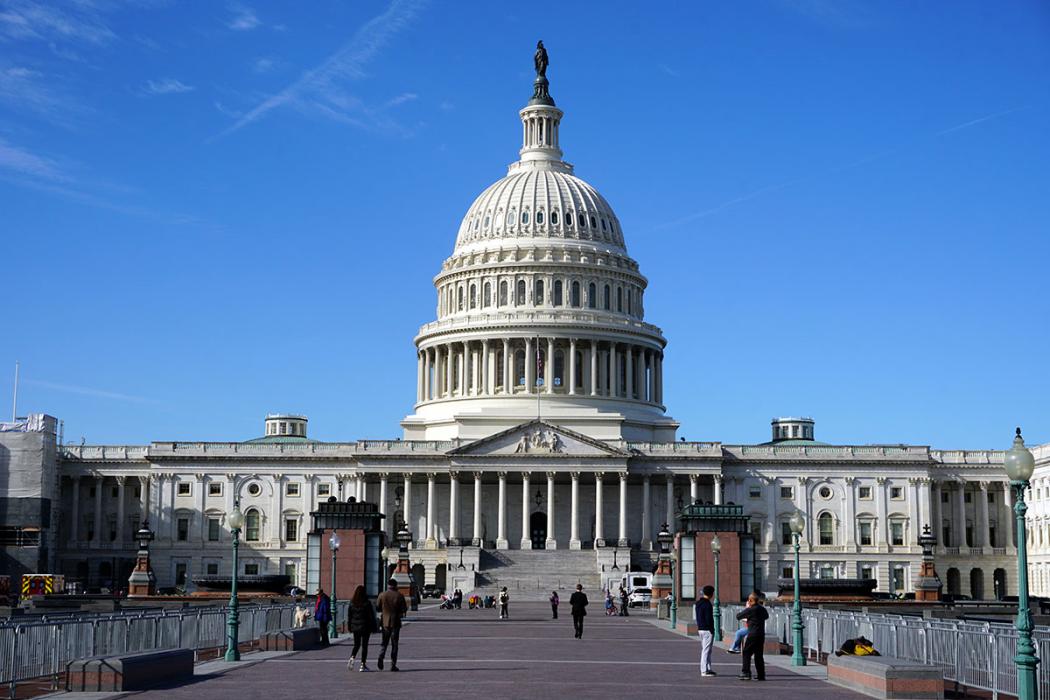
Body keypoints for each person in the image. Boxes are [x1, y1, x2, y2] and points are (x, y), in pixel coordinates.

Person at [736, 592, 769, 681]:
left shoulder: (750, 609)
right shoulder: (762, 609)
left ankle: (746, 672)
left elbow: (738, 616)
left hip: (752, 634)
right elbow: (766, 616)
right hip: (761, 634)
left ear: (751, 600)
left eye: (749, 600)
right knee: (759, 655)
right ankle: (761, 675)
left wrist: (748, 609)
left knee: (746, 652)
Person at [377, 578, 408, 672]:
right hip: (395, 622)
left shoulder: (382, 595)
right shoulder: (399, 595)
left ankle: (381, 656)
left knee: (384, 642)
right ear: (396, 585)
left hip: (385, 622)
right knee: (394, 644)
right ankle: (393, 664)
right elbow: (404, 609)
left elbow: (378, 607)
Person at [347, 585, 379, 672]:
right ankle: (362, 665)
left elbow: (349, 616)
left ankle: (352, 657)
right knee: (364, 646)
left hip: (355, 627)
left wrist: (349, 626)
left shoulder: (352, 603)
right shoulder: (367, 603)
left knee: (356, 644)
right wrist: (374, 627)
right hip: (365, 627)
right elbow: (371, 616)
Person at [695, 585, 716, 677]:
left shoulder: (698, 603)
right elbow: (709, 619)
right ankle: (704, 670)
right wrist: (712, 629)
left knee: (707, 650)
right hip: (707, 630)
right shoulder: (708, 605)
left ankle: (708, 668)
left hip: (700, 628)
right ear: (711, 594)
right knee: (706, 650)